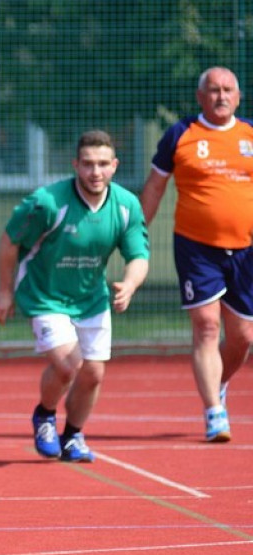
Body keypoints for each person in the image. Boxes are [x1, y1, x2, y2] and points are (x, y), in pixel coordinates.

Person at [0, 131, 150, 463]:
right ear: (75, 164)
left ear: (115, 166)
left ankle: (73, 435)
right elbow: (9, 242)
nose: (95, 172)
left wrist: (130, 285)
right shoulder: (48, 203)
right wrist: (5, 291)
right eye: (88, 164)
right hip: (45, 295)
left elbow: (138, 256)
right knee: (68, 366)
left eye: (103, 164)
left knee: (93, 374)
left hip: (91, 298)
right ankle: (45, 415)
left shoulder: (125, 206)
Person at [139, 66, 253, 443]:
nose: (221, 96)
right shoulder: (181, 134)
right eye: (214, 90)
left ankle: (217, 383)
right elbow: (155, 188)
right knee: (206, 326)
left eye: (228, 90)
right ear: (200, 96)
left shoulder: (249, 134)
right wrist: (135, 237)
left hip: (246, 249)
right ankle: (214, 413)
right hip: (196, 246)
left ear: (238, 96)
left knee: (243, 337)